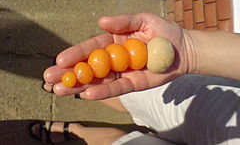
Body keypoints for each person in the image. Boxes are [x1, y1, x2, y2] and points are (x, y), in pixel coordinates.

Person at [30, 13, 240, 145]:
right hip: (229, 107)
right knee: (142, 96)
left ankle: (78, 130)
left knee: (122, 144)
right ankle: (82, 88)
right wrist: (191, 50)